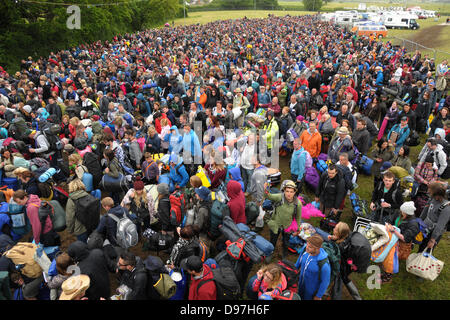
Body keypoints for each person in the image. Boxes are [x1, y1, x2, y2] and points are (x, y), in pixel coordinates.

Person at [382, 201, 420, 283]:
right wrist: (388, 223)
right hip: (393, 239)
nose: (400, 212)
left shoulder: (413, 224)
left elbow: (404, 238)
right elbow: (390, 219)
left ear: (407, 213)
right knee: (386, 255)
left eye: (402, 211)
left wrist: (393, 230)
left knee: (392, 259)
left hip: (402, 245)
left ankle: (388, 277)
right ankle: (385, 270)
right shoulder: (399, 213)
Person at [264, 180, 302, 259]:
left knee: (286, 242)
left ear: (295, 192)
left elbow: (298, 217)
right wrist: (266, 189)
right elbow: (268, 196)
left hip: (287, 226)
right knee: (273, 240)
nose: (289, 193)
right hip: (276, 224)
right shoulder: (279, 197)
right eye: (287, 191)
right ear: (284, 191)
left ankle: (284, 254)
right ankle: (270, 252)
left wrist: (297, 229)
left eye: (291, 191)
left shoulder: (297, 204)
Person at [295, 234, 331, 300]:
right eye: (307, 245)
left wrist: (318, 296)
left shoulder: (324, 265)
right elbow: (298, 263)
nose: (307, 247)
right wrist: (293, 273)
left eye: (310, 247)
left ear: (317, 248)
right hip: (300, 284)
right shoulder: (305, 251)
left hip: (311, 291)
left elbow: (325, 282)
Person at [418, 182, 450, 253]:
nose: (428, 192)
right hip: (426, 227)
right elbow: (425, 210)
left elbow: (440, 226)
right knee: (421, 246)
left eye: (430, 191)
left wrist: (433, 240)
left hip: (434, 232)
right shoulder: (432, 199)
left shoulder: (446, 208)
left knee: (426, 251)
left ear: (436, 193)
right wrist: (419, 221)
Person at [65, 178, 92, 243]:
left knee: (83, 246)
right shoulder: (88, 195)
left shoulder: (71, 200)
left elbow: (70, 217)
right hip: (91, 226)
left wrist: (70, 230)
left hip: (80, 229)